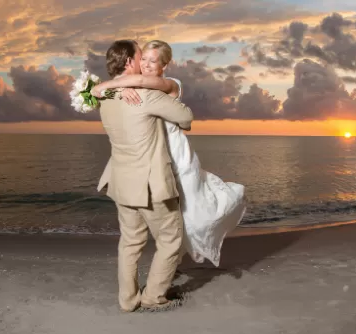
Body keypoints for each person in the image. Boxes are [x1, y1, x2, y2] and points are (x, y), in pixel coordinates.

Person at [93, 40, 246, 268]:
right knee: (174, 221)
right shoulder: (136, 89)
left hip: (175, 154)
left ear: (165, 64)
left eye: (152, 60)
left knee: (192, 210)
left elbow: (144, 82)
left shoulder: (170, 84)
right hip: (154, 156)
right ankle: (167, 269)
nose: (145, 64)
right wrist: (123, 88)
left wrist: (103, 86)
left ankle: (187, 249)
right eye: (143, 58)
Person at [95, 39, 194, 313]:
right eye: (140, 57)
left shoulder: (105, 98)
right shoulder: (146, 97)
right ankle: (153, 296)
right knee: (170, 239)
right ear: (129, 62)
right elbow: (186, 118)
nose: (143, 63)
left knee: (130, 242)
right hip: (151, 185)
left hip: (121, 183)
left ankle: (128, 300)